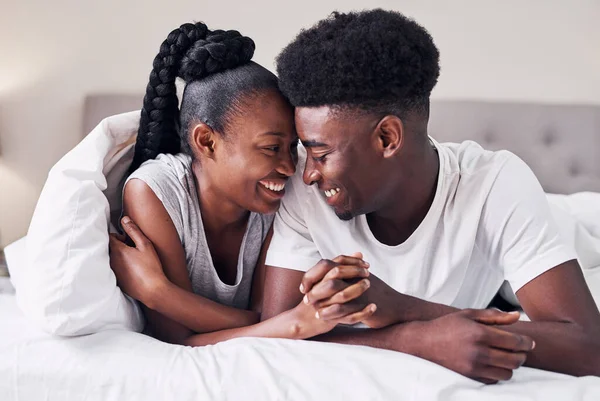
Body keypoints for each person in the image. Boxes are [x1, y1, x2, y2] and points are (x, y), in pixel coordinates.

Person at [259, 9, 600, 382]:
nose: (307, 173)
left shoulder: (495, 184)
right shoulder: (307, 191)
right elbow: (278, 331)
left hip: (560, 234)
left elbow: (588, 347)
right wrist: (417, 338)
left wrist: (402, 308)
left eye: (322, 155)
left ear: (387, 138)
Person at [109, 21, 376, 347]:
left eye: (293, 146)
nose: (291, 167)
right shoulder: (155, 193)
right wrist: (292, 324)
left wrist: (158, 291)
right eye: (271, 148)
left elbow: (269, 319)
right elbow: (175, 338)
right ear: (206, 142)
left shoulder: (280, 195)